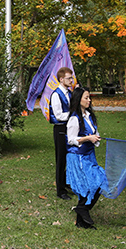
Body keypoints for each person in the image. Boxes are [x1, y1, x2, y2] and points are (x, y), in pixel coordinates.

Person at [66, 87, 108, 229]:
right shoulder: (74, 118)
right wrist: (87, 138)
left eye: (89, 97)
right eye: (86, 98)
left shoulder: (89, 115)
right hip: (77, 157)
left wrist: (95, 138)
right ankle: (82, 214)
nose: (89, 100)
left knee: (100, 180)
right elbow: (71, 140)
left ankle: (81, 215)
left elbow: (94, 133)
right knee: (87, 185)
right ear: (78, 100)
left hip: (89, 155)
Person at [50, 67, 74, 200]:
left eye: (71, 78)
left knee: (70, 157)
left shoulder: (70, 93)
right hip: (60, 129)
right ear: (61, 79)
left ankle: (66, 183)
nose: (71, 80)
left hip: (70, 128)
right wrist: (73, 115)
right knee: (61, 159)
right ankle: (60, 190)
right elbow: (58, 115)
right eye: (69, 78)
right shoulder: (56, 94)